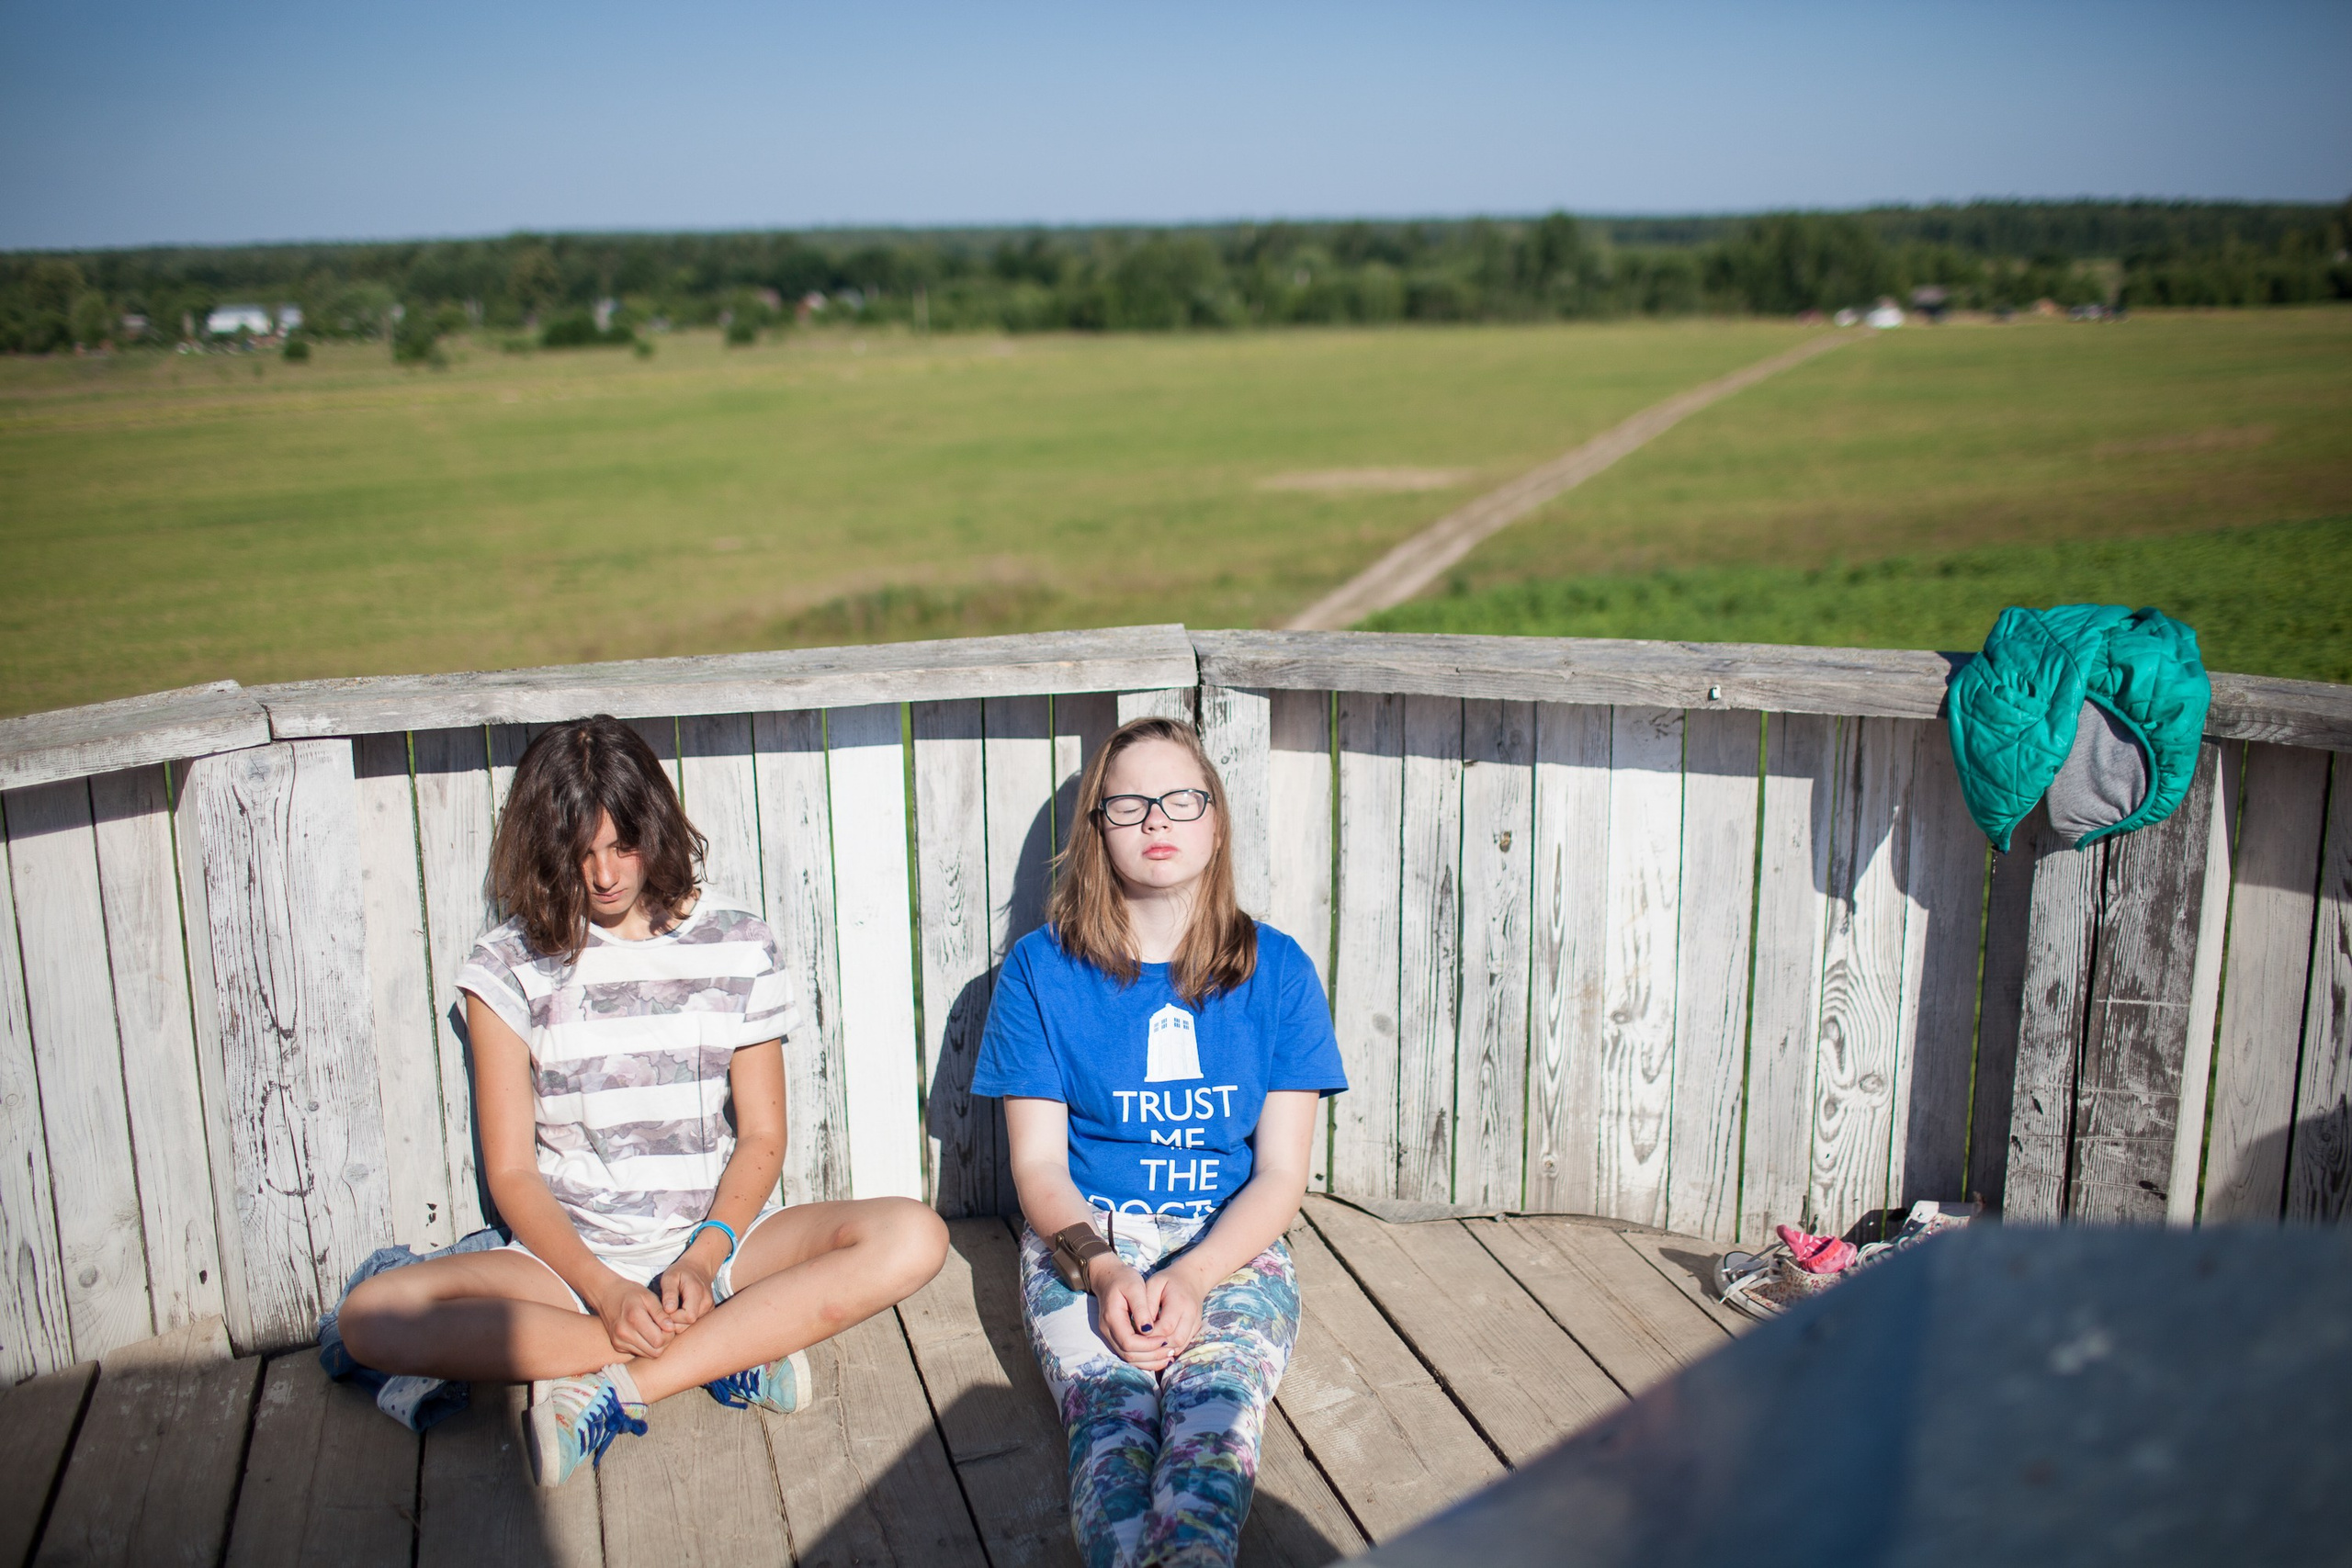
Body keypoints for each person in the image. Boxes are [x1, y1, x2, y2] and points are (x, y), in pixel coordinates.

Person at [336, 716, 948, 1486]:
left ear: (654, 824)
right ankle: (721, 1349)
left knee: (915, 1235)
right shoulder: (506, 965)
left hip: (723, 1247)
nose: (604, 874)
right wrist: (607, 1290)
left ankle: (625, 1384)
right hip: (568, 1268)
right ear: (545, 848)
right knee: (369, 1317)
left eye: (622, 843)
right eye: (579, 851)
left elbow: (763, 1134)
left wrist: (704, 1252)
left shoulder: (739, 940)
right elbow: (514, 1174)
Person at [974, 716, 1348, 1568]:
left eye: (1182, 800)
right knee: (1111, 1438)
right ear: (1097, 830)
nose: (1157, 821)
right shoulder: (1041, 970)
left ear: (1215, 822)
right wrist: (1105, 1270)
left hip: (1231, 1245)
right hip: (1085, 1241)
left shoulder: (1277, 969)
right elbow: (1037, 1165)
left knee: (1211, 1444)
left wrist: (1192, 1273)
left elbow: (1284, 1171)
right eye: (1130, 804)